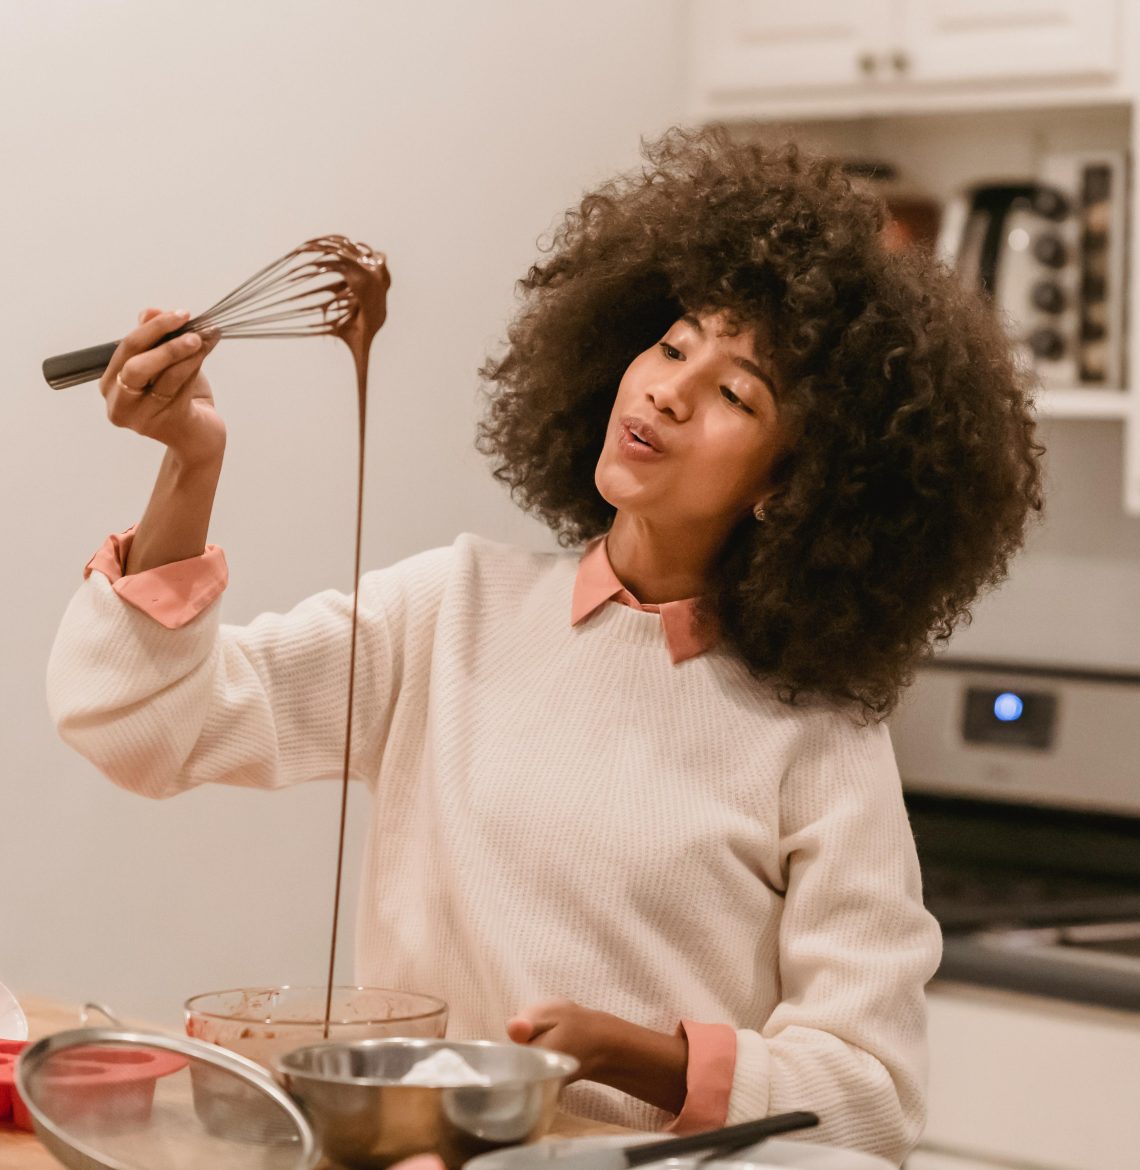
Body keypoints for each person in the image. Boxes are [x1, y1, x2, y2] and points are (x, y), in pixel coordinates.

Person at [47, 127, 1043, 1162]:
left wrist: (637, 1056)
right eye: (670, 345)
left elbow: (873, 1100)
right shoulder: (450, 611)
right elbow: (144, 727)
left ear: (792, 486)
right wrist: (191, 463)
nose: (667, 390)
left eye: (738, 393)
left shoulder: (821, 741)